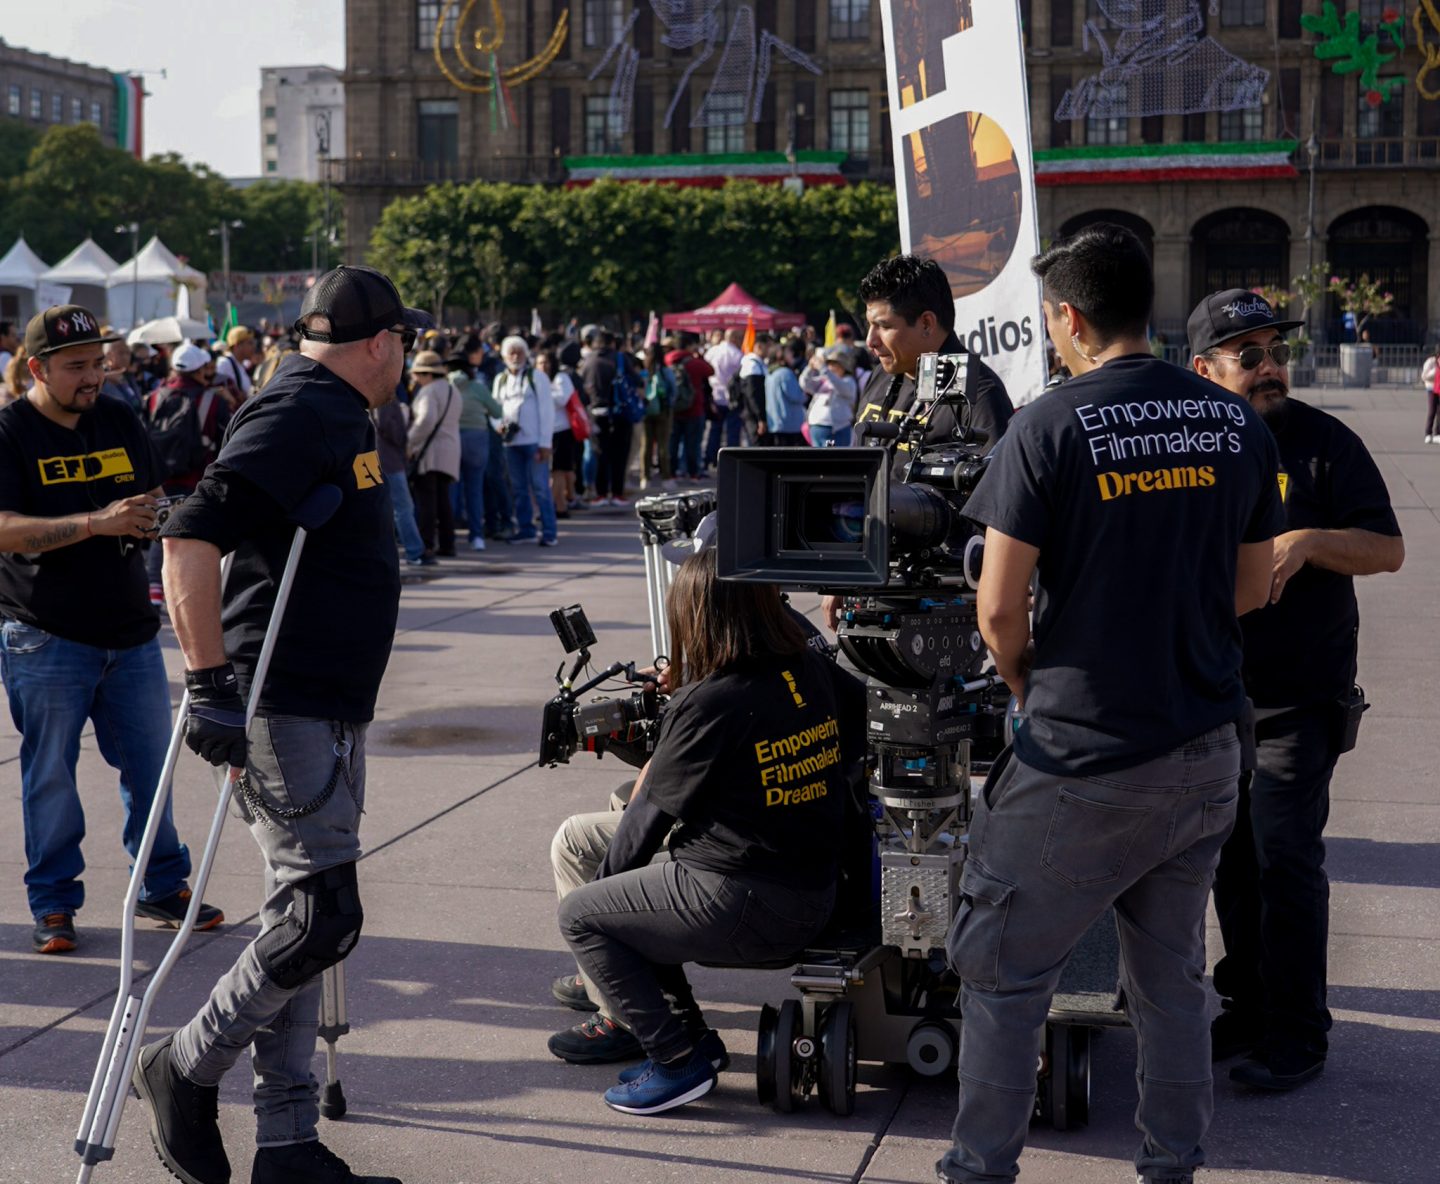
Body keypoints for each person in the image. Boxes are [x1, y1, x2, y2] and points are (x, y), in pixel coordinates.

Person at [935, 225, 1284, 1184]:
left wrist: (1026, 685)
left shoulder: (1046, 426)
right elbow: (1254, 590)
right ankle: (1173, 1165)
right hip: (1207, 746)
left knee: (1003, 972)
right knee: (1171, 980)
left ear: (1070, 319)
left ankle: (979, 1169)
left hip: (1083, 760)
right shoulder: (1233, 422)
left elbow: (1000, 609)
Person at [132, 265, 426, 1184]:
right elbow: (189, 535)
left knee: (297, 918)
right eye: (404, 339)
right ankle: (183, 1064)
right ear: (378, 342)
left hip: (329, 700)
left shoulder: (339, 408)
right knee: (319, 918)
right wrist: (210, 680)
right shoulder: (295, 408)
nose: (408, 354)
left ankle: (288, 1142)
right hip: (282, 696)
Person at [558, 546, 866, 1115]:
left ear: (698, 617)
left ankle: (676, 1060)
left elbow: (642, 828)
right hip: (816, 885)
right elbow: (856, 727)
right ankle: (692, 1038)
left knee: (583, 914)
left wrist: (603, 913)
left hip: (751, 901)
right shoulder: (809, 667)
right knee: (602, 867)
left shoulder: (711, 703)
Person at [1190, 288, 1405, 1092]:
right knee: (1230, 864)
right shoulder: (1192, 446)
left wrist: (1311, 540)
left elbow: (1389, 549)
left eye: (1276, 351)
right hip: (1212, 694)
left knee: (1285, 860)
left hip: (1300, 699)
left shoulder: (1324, 444)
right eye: (1250, 355)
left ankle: (1297, 1036)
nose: (1271, 367)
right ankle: (1245, 1007)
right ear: (1204, 369)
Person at [0, 305, 222, 955]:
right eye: (76, 367)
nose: (93, 376)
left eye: (98, 361)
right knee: (50, 775)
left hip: (129, 633)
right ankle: (54, 902)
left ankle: (159, 884)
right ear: (37, 368)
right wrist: (97, 522)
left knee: (151, 770)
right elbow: (4, 527)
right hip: (45, 634)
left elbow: (150, 497)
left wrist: (155, 516)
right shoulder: (11, 432)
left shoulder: (121, 415)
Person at [853, 254, 1013, 457]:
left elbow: (994, 483)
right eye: (870, 325)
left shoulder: (980, 394)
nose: (870, 340)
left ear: (927, 323)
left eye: (884, 326)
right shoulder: (881, 374)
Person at [494, 335, 559, 545]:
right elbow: (494, 410)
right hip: (511, 443)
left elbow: (547, 411)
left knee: (540, 487)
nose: (515, 356)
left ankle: (549, 532)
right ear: (504, 356)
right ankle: (526, 529)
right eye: (511, 352)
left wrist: (545, 443)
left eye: (519, 352)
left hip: (534, 442)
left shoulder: (536, 377)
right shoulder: (500, 380)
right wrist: (498, 426)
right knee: (519, 489)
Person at [406, 349, 462, 558]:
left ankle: (427, 543)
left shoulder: (429, 392)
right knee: (443, 501)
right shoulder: (451, 389)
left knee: (427, 502)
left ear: (428, 374)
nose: (417, 378)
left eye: (419, 374)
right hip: (450, 451)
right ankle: (448, 543)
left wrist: (410, 443)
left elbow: (425, 421)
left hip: (431, 453)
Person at [448, 340, 501, 551]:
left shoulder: (445, 386)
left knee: (451, 489)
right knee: (475, 489)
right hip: (477, 438)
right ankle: (476, 536)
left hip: (451, 438)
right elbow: (497, 412)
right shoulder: (477, 387)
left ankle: (449, 534)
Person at [372, 386, 432, 568]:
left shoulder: (375, 392)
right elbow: (389, 426)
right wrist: (403, 441)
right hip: (389, 460)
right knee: (403, 507)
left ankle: (412, 549)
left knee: (388, 508)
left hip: (380, 458)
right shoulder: (384, 395)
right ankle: (415, 551)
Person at [579, 328, 633, 507]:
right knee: (620, 454)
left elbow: (582, 388)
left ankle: (600, 493)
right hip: (619, 413)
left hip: (595, 413)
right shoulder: (620, 358)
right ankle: (617, 493)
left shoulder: (587, 361)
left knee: (600, 454)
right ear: (612, 342)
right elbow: (635, 381)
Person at [537, 345, 581, 515]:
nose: (543, 366)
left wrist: (544, 392)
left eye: (546, 362)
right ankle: (563, 502)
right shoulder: (537, 380)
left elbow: (562, 399)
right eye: (540, 363)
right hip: (545, 432)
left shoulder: (561, 378)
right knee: (559, 471)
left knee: (559, 471)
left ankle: (558, 506)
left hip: (561, 430)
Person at [665, 336, 711, 481]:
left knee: (672, 443)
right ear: (690, 345)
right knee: (693, 443)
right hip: (694, 408)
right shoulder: (695, 363)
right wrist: (700, 356)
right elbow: (710, 370)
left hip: (672, 409)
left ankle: (672, 472)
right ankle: (693, 473)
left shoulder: (666, 360)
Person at [702, 327, 744, 470]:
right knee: (732, 431)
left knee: (715, 430)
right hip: (730, 398)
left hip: (715, 396)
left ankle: (711, 458)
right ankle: (731, 463)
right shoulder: (737, 354)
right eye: (739, 337)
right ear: (733, 338)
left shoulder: (712, 351)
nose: (741, 340)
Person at [802, 343, 858, 447]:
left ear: (843, 367)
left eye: (834, 364)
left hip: (838, 429)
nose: (830, 367)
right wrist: (810, 367)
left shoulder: (849, 382)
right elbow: (804, 384)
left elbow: (839, 385)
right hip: (816, 427)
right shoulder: (825, 380)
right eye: (829, 364)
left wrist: (824, 369)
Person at [639, 342, 676, 490]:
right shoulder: (666, 371)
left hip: (646, 411)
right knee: (663, 445)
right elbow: (674, 390)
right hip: (663, 411)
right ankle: (666, 477)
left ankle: (645, 477)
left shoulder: (643, 371)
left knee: (646, 445)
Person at [763, 337, 807, 445]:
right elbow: (796, 396)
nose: (792, 355)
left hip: (775, 422)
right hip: (789, 423)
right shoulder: (785, 373)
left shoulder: (770, 373)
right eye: (788, 353)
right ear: (780, 356)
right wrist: (806, 394)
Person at [735, 332, 770, 444]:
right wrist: (760, 418)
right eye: (768, 346)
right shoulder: (752, 366)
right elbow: (753, 394)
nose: (771, 350)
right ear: (759, 346)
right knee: (757, 448)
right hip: (752, 416)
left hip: (752, 414)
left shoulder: (757, 364)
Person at [214, 325, 257, 401]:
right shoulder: (224, 363)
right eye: (249, 343)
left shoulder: (241, 364)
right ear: (237, 346)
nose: (254, 347)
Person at [1422, 343, 1440, 444]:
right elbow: (1424, 376)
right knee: (1432, 410)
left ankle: (1437, 433)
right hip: (1431, 388)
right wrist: (1435, 372)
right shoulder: (1431, 362)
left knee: (1439, 411)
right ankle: (1428, 433)